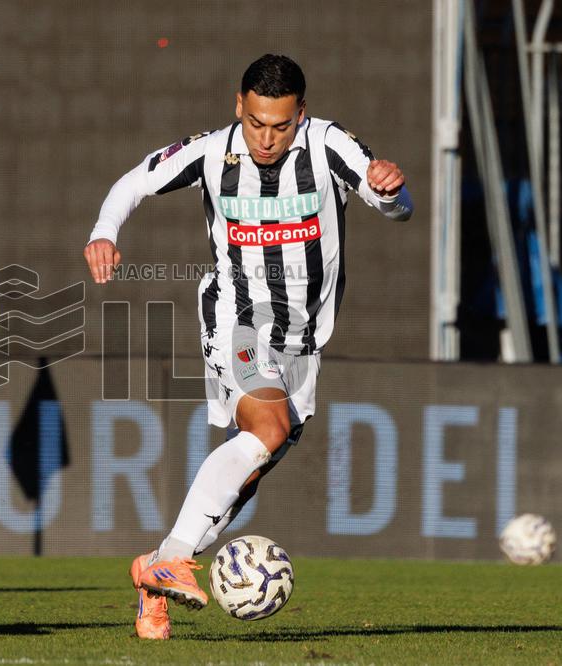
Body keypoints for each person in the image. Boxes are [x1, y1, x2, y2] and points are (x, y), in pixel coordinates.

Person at [84, 54, 413, 639]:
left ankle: (154, 572)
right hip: (236, 315)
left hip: (303, 338)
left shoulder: (329, 145)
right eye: (257, 122)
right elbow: (134, 182)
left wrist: (391, 192)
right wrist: (104, 232)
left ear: (301, 115)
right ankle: (175, 557)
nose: (266, 138)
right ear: (239, 106)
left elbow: (397, 207)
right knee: (266, 429)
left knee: (252, 467)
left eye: (280, 126)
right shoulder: (212, 151)